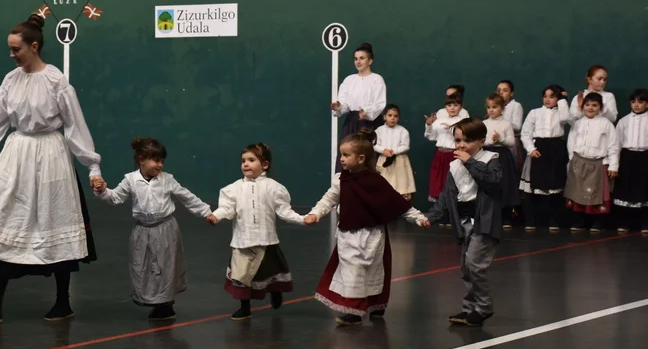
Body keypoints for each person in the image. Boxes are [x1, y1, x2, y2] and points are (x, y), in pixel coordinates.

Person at [0, 14, 102, 323]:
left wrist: (92, 167)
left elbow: (75, 126)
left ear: (34, 47)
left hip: (50, 156)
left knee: (54, 218)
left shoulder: (56, 81)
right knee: (7, 217)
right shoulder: (11, 80)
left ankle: (63, 302)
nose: (11, 55)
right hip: (17, 155)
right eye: (10, 49)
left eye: (16, 49)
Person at [303, 130, 429, 326]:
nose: (342, 159)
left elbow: (397, 202)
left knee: (372, 270)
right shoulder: (340, 180)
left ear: (361, 158)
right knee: (353, 270)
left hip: (372, 235)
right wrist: (316, 213)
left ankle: (376, 304)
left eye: (346, 155)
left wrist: (418, 218)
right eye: (341, 154)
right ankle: (354, 311)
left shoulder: (376, 181)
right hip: (348, 235)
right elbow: (328, 199)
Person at [94, 137, 211, 322]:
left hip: (165, 229)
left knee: (165, 267)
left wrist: (206, 212)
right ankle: (154, 300)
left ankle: (165, 304)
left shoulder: (167, 180)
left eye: (162, 161)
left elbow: (187, 197)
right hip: (143, 231)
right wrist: (102, 190)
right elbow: (115, 198)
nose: (160, 165)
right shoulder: (130, 180)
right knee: (145, 266)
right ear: (141, 159)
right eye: (156, 160)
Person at [207, 143, 302, 321]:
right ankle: (245, 307)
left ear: (264, 164)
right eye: (243, 160)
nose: (246, 164)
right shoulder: (234, 189)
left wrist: (303, 219)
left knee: (270, 272)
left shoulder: (274, 188)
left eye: (251, 160)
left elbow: (285, 212)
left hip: (266, 241)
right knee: (241, 275)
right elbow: (227, 208)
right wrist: (216, 216)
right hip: (243, 241)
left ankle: (275, 291)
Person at [425, 118, 503, 327]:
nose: (461, 145)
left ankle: (484, 307)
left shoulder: (491, 160)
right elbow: (447, 196)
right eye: (458, 140)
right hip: (464, 221)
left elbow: (493, 183)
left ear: (481, 141)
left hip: (484, 222)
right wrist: (430, 216)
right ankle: (470, 308)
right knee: (466, 267)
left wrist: (470, 162)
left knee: (475, 264)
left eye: (467, 141)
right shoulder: (454, 165)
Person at [519, 85, 571, 232]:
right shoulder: (534, 112)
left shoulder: (562, 112)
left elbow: (566, 118)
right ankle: (532, 220)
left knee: (555, 187)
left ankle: (554, 220)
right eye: (545, 96)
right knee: (535, 187)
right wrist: (531, 149)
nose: (548, 99)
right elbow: (525, 133)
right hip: (539, 149)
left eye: (552, 96)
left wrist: (563, 100)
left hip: (555, 149)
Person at [564, 93, 619, 232]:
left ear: (600, 107)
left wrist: (613, 165)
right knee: (578, 191)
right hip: (579, 162)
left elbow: (613, 146)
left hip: (599, 163)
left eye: (594, 105)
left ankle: (597, 222)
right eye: (587, 105)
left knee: (597, 193)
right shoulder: (578, 123)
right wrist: (572, 159)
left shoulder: (606, 124)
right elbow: (571, 142)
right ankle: (580, 221)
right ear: (582, 107)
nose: (590, 108)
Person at [330, 43, 386, 171]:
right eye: (356, 59)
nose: (358, 61)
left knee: (368, 159)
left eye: (362, 58)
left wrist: (366, 112)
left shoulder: (377, 79)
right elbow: (343, 105)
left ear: (370, 61)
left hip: (371, 125)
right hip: (352, 123)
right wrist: (338, 107)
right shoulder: (349, 80)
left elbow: (379, 104)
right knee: (348, 157)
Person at [482, 93, 521, 228]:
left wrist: (501, 139)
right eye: (488, 107)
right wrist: (490, 142)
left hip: (502, 156)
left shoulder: (506, 124)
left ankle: (506, 216)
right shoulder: (484, 123)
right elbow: (480, 141)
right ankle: (488, 216)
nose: (491, 110)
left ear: (502, 108)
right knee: (488, 185)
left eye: (495, 107)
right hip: (487, 155)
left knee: (504, 185)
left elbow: (511, 142)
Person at [613, 89, 648, 234]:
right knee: (625, 190)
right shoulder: (624, 121)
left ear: (647, 104)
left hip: (645, 157)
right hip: (627, 157)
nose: (636, 105)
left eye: (641, 102)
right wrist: (615, 164)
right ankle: (624, 223)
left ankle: (645, 223)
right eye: (633, 102)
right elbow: (616, 144)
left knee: (644, 190)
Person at [424, 94, 465, 205]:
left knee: (454, 181)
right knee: (438, 181)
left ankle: (455, 210)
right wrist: (429, 125)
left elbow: (465, 137)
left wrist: (452, 129)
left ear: (461, 107)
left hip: (455, 155)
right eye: (449, 105)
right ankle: (441, 209)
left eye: (455, 105)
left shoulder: (463, 121)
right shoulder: (439, 121)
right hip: (440, 155)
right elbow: (431, 137)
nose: (452, 108)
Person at [374, 105, 416, 200]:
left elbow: (405, 146)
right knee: (385, 184)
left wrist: (394, 151)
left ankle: (400, 203)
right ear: (385, 116)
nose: (392, 118)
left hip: (399, 161)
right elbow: (375, 145)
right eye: (390, 115)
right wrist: (384, 150)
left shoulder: (403, 131)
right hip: (384, 160)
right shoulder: (379, 130)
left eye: (395, 116)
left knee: (401, 185)